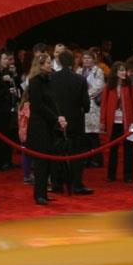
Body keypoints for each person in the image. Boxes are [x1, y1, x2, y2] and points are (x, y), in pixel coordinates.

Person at [51, 50, 93, 195]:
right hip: (75, 122)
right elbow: (86, 105)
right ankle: (76, 184)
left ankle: (57, 184)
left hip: (57, 120)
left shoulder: (52, 78)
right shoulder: (80, 79)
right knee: (77, 153)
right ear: (73, 61)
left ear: (59, 61)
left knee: (57, 153)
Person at [24, 53, 62, 205]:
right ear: (40, 65)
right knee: (40, 162)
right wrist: (55, 118)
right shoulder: (35, 82)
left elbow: (53, 102)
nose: (50, 65)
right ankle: (39, 194)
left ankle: (43, 193)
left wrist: (59, 117)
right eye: (47, 63)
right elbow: (38, 106)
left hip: (49, 126)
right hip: (39, 127)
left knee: (47, 161)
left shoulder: (48, 80)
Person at [101, 61, 133, 185]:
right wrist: (102, 121)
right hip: (113, 122)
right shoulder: (109, 87)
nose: (124, 72)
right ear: (115, 72)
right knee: (112, 149)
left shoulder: (130, 86)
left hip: (127, 122)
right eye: (121, 70)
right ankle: (111, 174)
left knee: (129, 149)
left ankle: (128, 175)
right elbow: (104, 105)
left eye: (124, 70)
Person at [78, 52, 106, 168]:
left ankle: (97, 159)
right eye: (84, 58)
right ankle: (86, 159)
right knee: (84, 135)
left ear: (94, 59)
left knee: (93, 134)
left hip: (93, 104)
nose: (86, 60)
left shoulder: (98, 71)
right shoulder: (79, 71)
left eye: (89, 58)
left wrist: (85, 95)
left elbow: (99, 86)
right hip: (82, 105)